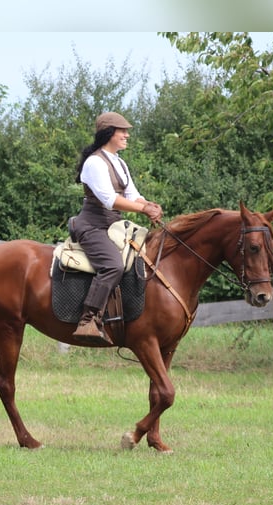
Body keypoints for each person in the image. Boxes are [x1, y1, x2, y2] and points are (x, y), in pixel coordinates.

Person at [69, 111, 163, 345]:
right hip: (92, 226)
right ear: (109, 133)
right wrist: (143, 210)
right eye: (123, 131)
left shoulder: (119, 162)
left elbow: (132, 195)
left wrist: (149, 205)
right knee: (113, 265)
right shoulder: (94, 162)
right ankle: (88, 319)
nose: (127, 135)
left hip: (114, 226)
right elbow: (109, 200)